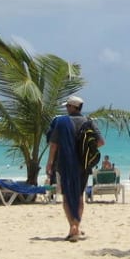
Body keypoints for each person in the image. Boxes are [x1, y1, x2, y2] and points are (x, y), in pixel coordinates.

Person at [45, 95, 104, 242]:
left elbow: (53, 145)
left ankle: (72, 226)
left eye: (67, 106)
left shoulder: (61, 122)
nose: (66, 109)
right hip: (83, 165)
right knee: (79, 196)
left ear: (72, 107)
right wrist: (83, 151)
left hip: (64, 164)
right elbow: (101, 142)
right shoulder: (88, 122)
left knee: (66, 196)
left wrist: (50, 163)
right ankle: (76, 225)